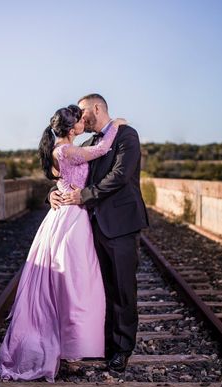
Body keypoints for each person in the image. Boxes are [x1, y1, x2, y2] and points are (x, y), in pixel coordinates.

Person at [0, 104, 127, 382]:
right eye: (80, 122)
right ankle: (70, 347)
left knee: (77, 281)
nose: (84, 125)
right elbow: (101, 151)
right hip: (71, 219)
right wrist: (115, 125)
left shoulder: (64, 148)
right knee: (75, 281)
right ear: (71, 130)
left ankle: (74, 346)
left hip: (72, 215)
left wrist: (54, 192)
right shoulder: (66, 150)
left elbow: (65, 180)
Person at [51, 93, 149, 372]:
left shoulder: (127, 136)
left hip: (121, 225)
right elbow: (69, 177)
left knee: (122, 289)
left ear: (97, 108)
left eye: (83, 112)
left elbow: (120, 175)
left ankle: (121, 350)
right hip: (90, 227)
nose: (80, 119)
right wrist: (52, 194)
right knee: (98, 290)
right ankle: (102, 344)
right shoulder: (90, 144)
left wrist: (84, 196)